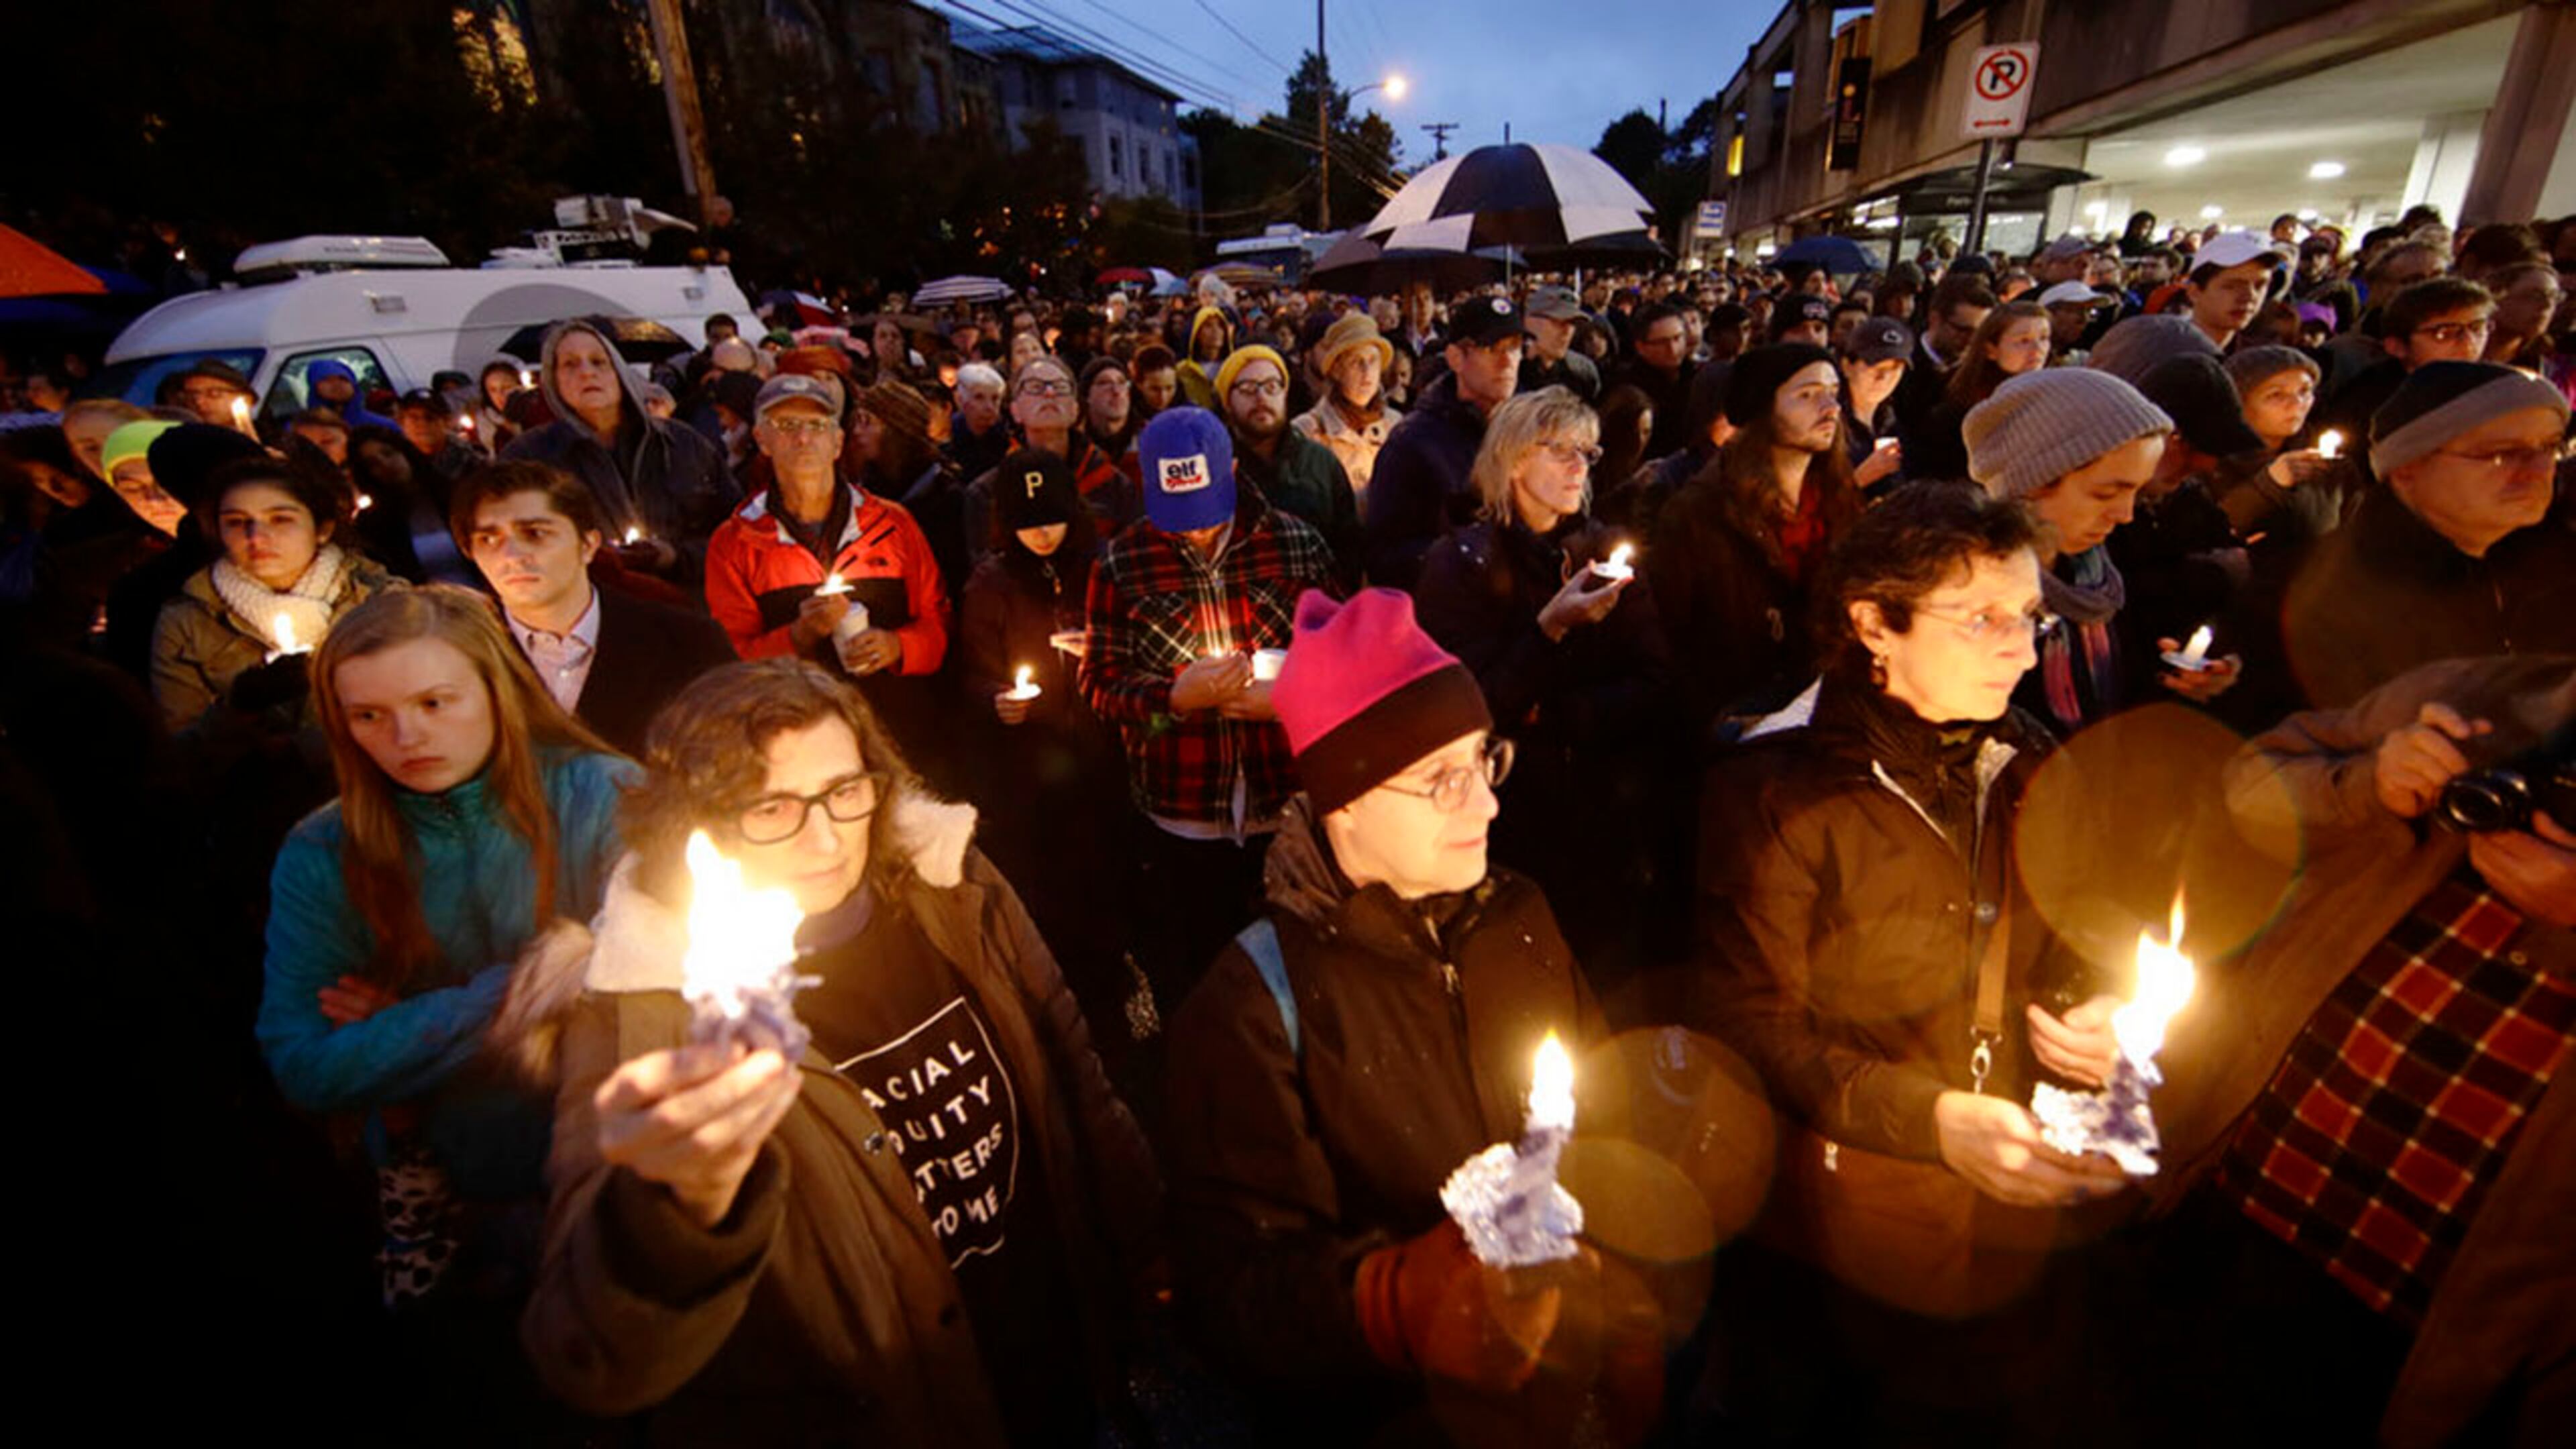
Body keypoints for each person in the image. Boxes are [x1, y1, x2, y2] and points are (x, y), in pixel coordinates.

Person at [519, 659, 1159, 1444]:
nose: (824, 838)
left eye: (844, 792)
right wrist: (671, 1217)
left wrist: (1142, 1240)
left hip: (1051, 1351)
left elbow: (1071, 1067)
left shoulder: (948, 890)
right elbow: (593, 1352)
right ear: (700, 826)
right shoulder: (648, 1013)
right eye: (773, 808)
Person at [1165, 587, 1656, 1446]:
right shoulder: (1252, 1005)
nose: (1488, 804)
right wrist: (1393, 1300)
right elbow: (1235, 1296)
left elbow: (1603, 1113)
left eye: (1485, 762)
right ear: (1344, 797)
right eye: (1441, 779)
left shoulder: (1518, 917)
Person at [1695, 482, 2129, 1440]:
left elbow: (2071, 929)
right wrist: (1926, 1117)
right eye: (1980, 620)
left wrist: (2092, 1009)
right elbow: (1748, 1021)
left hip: (2010, 1190)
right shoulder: (1774, 794)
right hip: (1842, 1218)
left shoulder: (2026, 759)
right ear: (1873, 624)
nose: (2021, 650)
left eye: (2027, 617)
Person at [2136, 655, 2573, 1447]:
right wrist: (2369, 782)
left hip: (2432, 1327)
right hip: (2239, 1198)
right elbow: (2252, 783)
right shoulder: (2488, 697)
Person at [259, 586, 634, 1303]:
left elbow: (653, 978)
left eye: (436, 703)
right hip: (457, 1192)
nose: (407, 739)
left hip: (614, 1169)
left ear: (496, 689)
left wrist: (400, 1029)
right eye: (370, 716)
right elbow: (304, 1063)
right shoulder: (322, 851)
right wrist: (546, 981)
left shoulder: (605, 794)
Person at [1413, 386, 1676, 990]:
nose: (1579, 465)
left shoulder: (1605, 550)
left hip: (1604, 812)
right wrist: (1549, 629)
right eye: (1559, 449)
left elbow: (1657, 680)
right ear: (1510, 458)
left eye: (1586, 450)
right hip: (1509, 823)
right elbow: (1471, 708)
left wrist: (1565, 717)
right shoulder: (1459, 565)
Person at [1080, 407, 1335, 1008]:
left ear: (1234, 471)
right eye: (1179, 517)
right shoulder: (1122, 563)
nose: (1194, 533)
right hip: (1182, 814)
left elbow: (1346, 661)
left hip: (1285, 807)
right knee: (1204, 984)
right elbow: (1099, 682)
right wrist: (1171, 696)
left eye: (1205, 512)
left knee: (1304, 979)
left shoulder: (1297, 544)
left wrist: (1292, 697)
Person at [1958, 367, 2241, 737]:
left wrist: (2178, 682)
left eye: (2136, 493)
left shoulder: (2101, 574)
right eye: (2106, 494)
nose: (2124, 515)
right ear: (2034, 482)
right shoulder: (1963, 603)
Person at [2277, 362, 2575, 710]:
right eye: (2502, 454)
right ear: (2408, 467)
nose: (2539, 472)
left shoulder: (2543, 564)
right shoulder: (2339, 600)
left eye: (2550, 447)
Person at [957, 447, 1133, 1036]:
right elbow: (971, 672)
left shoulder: (1104, 566)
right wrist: (994, 701)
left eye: (1052, 520)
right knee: (1053, 882)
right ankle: (1064, 994)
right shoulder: (991, 581)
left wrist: (1102, 654)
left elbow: (1135, 639)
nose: (1041, 534)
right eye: (1028, 523)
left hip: (1105, 752)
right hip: (1032, 764)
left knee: (1109, 870)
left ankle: (1115, 983)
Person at [705, 374, 953, 778]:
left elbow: (939, 626)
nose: (803, 438)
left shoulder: (893, 524)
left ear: (838, 442)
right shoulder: (736, 543)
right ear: (762, 441)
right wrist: (799, 636)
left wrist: (897, 646)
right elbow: (733, 664)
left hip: (902, 739)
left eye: (817, 425)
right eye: (787, 426)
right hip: (798, 747)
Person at [452, 460, 735, 757]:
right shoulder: (459, 654)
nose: (511, 556)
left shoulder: (688, 642)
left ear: (588, 545)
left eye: (535, 533)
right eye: (489, 539)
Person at [1650, 345, 1860, 727]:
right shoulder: (1701, 513)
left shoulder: (1839, 498)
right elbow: (1672, 643)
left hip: (1826, 710)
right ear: (1764, 408)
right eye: (1807, 394)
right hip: (1735, 723)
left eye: (1833, 391)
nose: (1830, 406)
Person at [150, 453, 394, 732]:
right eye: (236, 522)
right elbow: (183, 753)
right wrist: (238, 710)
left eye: (280, 519)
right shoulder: (187, 623)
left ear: (322, 529)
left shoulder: (380, 601)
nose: (256, 536)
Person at [500, 318, 739, 584]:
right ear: (553, 381)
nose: (587, 373)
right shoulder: (529, 458)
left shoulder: (682, 442)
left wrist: (674, 556)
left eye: (599, 362)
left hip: (693, 603)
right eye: (570, 364)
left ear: (619, 372)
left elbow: (736, 532)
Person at [1364, 298, 1525, 588]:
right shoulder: (1412, 445)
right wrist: (1466, 552)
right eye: (1492, 349)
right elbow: (1384, 559)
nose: (1508, 361)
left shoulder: (1531, 429)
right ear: (1455, 358)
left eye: (1515, 347)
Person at [1220, 345, 1361, 592]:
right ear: (1228, 402)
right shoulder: (1216, 470)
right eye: (1248, 389)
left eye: (1272, 387)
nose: (1261, 398)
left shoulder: (1321, 463)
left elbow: (1349, 548)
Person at [2088, 231, 2279, 382]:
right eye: (2231, 286)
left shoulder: (2254, 362)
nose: (2249, 296)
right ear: (2194, 292)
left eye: (2260, 286)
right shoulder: (2152, 345)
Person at [1902, 299, 2051, 483]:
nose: (2038, 350)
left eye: (2044, 338)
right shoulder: (1960, 412)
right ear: (1991, 350)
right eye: (2023, 341)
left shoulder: (2053, 398)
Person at [851, 378, 971, 600]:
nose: (857, 431)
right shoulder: (865, 489)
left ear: (894, 427)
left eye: (867, 421)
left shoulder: (944, 496)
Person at [1292, 314, 1402, 500]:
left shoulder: (1396, 426)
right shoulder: (1306, 432)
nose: (1367, 371)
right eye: (1355, 361)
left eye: (1373, 361)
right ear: (1336, 370)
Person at [1890, 273, 1995, 431]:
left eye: (1980, 333)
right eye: (1963, 330)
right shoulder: (1897, 362)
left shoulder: (1984, 369)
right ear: (1935, 319)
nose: (1972, 340)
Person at [1837, 315, 1911, 495]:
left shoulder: (1893, 421)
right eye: (1875, 366)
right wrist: (1860, 478)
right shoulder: (1828, 423)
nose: (1884, 378)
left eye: (1895, 368)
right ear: (1847, 366)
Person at [1617, 302, 1695, 460]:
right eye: (1662, 342)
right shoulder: (1626, 387)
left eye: (1677, 338)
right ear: (1641, 347)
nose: (1673, 349)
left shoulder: (1697, 376)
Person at [1517, 284, 1602, 402]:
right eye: (1558, 322)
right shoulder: (1510, 370)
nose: (1567, 332)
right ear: (1530, 322)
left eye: (1572, 323)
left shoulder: (1582, 373)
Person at [944, 361, 1012, 482]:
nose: (989, 407)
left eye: (995, 399)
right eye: (979, 398)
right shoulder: (946, 437)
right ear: (960, 400)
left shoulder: (1009, 437)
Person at [304, 357, 397, 432]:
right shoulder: (304, 430)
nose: (337, 384)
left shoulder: (382, 426)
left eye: (343, 379)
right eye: (327, 380)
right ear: (314, 388)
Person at [1177, 305, 1234, 409]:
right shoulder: (1183, 371)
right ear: (1197, 333)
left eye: (1220, 326)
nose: (1215, 331)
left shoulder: (1233, 369)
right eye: (1208, 326)